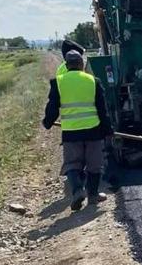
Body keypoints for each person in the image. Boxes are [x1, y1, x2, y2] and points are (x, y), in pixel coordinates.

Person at [43, 50, 111, 211]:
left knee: (72, 164)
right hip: (93, 131)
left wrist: (47, 122)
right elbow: (103, 110)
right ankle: (93, 196)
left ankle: (77, 190)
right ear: (82, 64)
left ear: (66, 66)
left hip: (71, 133)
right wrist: (108, 130)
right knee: (95, 165)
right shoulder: (93, 81)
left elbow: (52, 107)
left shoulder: (58, 82)